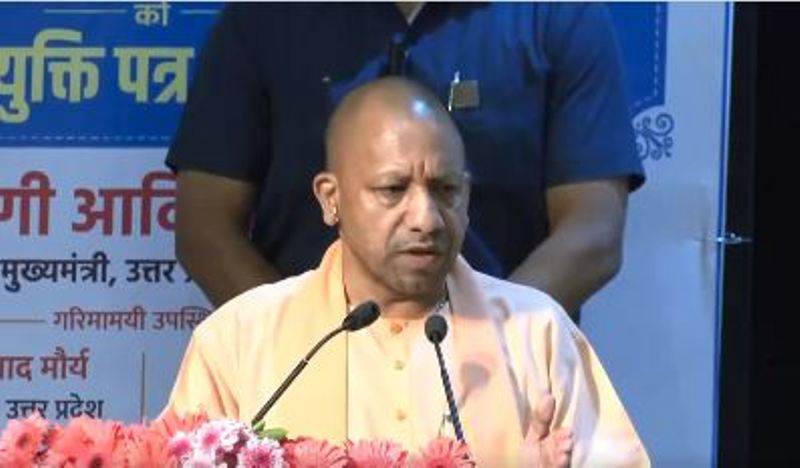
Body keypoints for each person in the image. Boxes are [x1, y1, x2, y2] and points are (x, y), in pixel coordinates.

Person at [165, 78, 649, 466]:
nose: (426, 219)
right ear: (331, 199)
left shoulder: (537, 334)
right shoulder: (240, 339)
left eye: (445, 190)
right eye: (393, 190)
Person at [167, 3, 644, 317]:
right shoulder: (265, 18)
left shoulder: (557, 15)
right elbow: (205, 228)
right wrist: (302, 346)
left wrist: (493, 336)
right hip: (305, 382)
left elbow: (593, 233)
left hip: (499, 382)